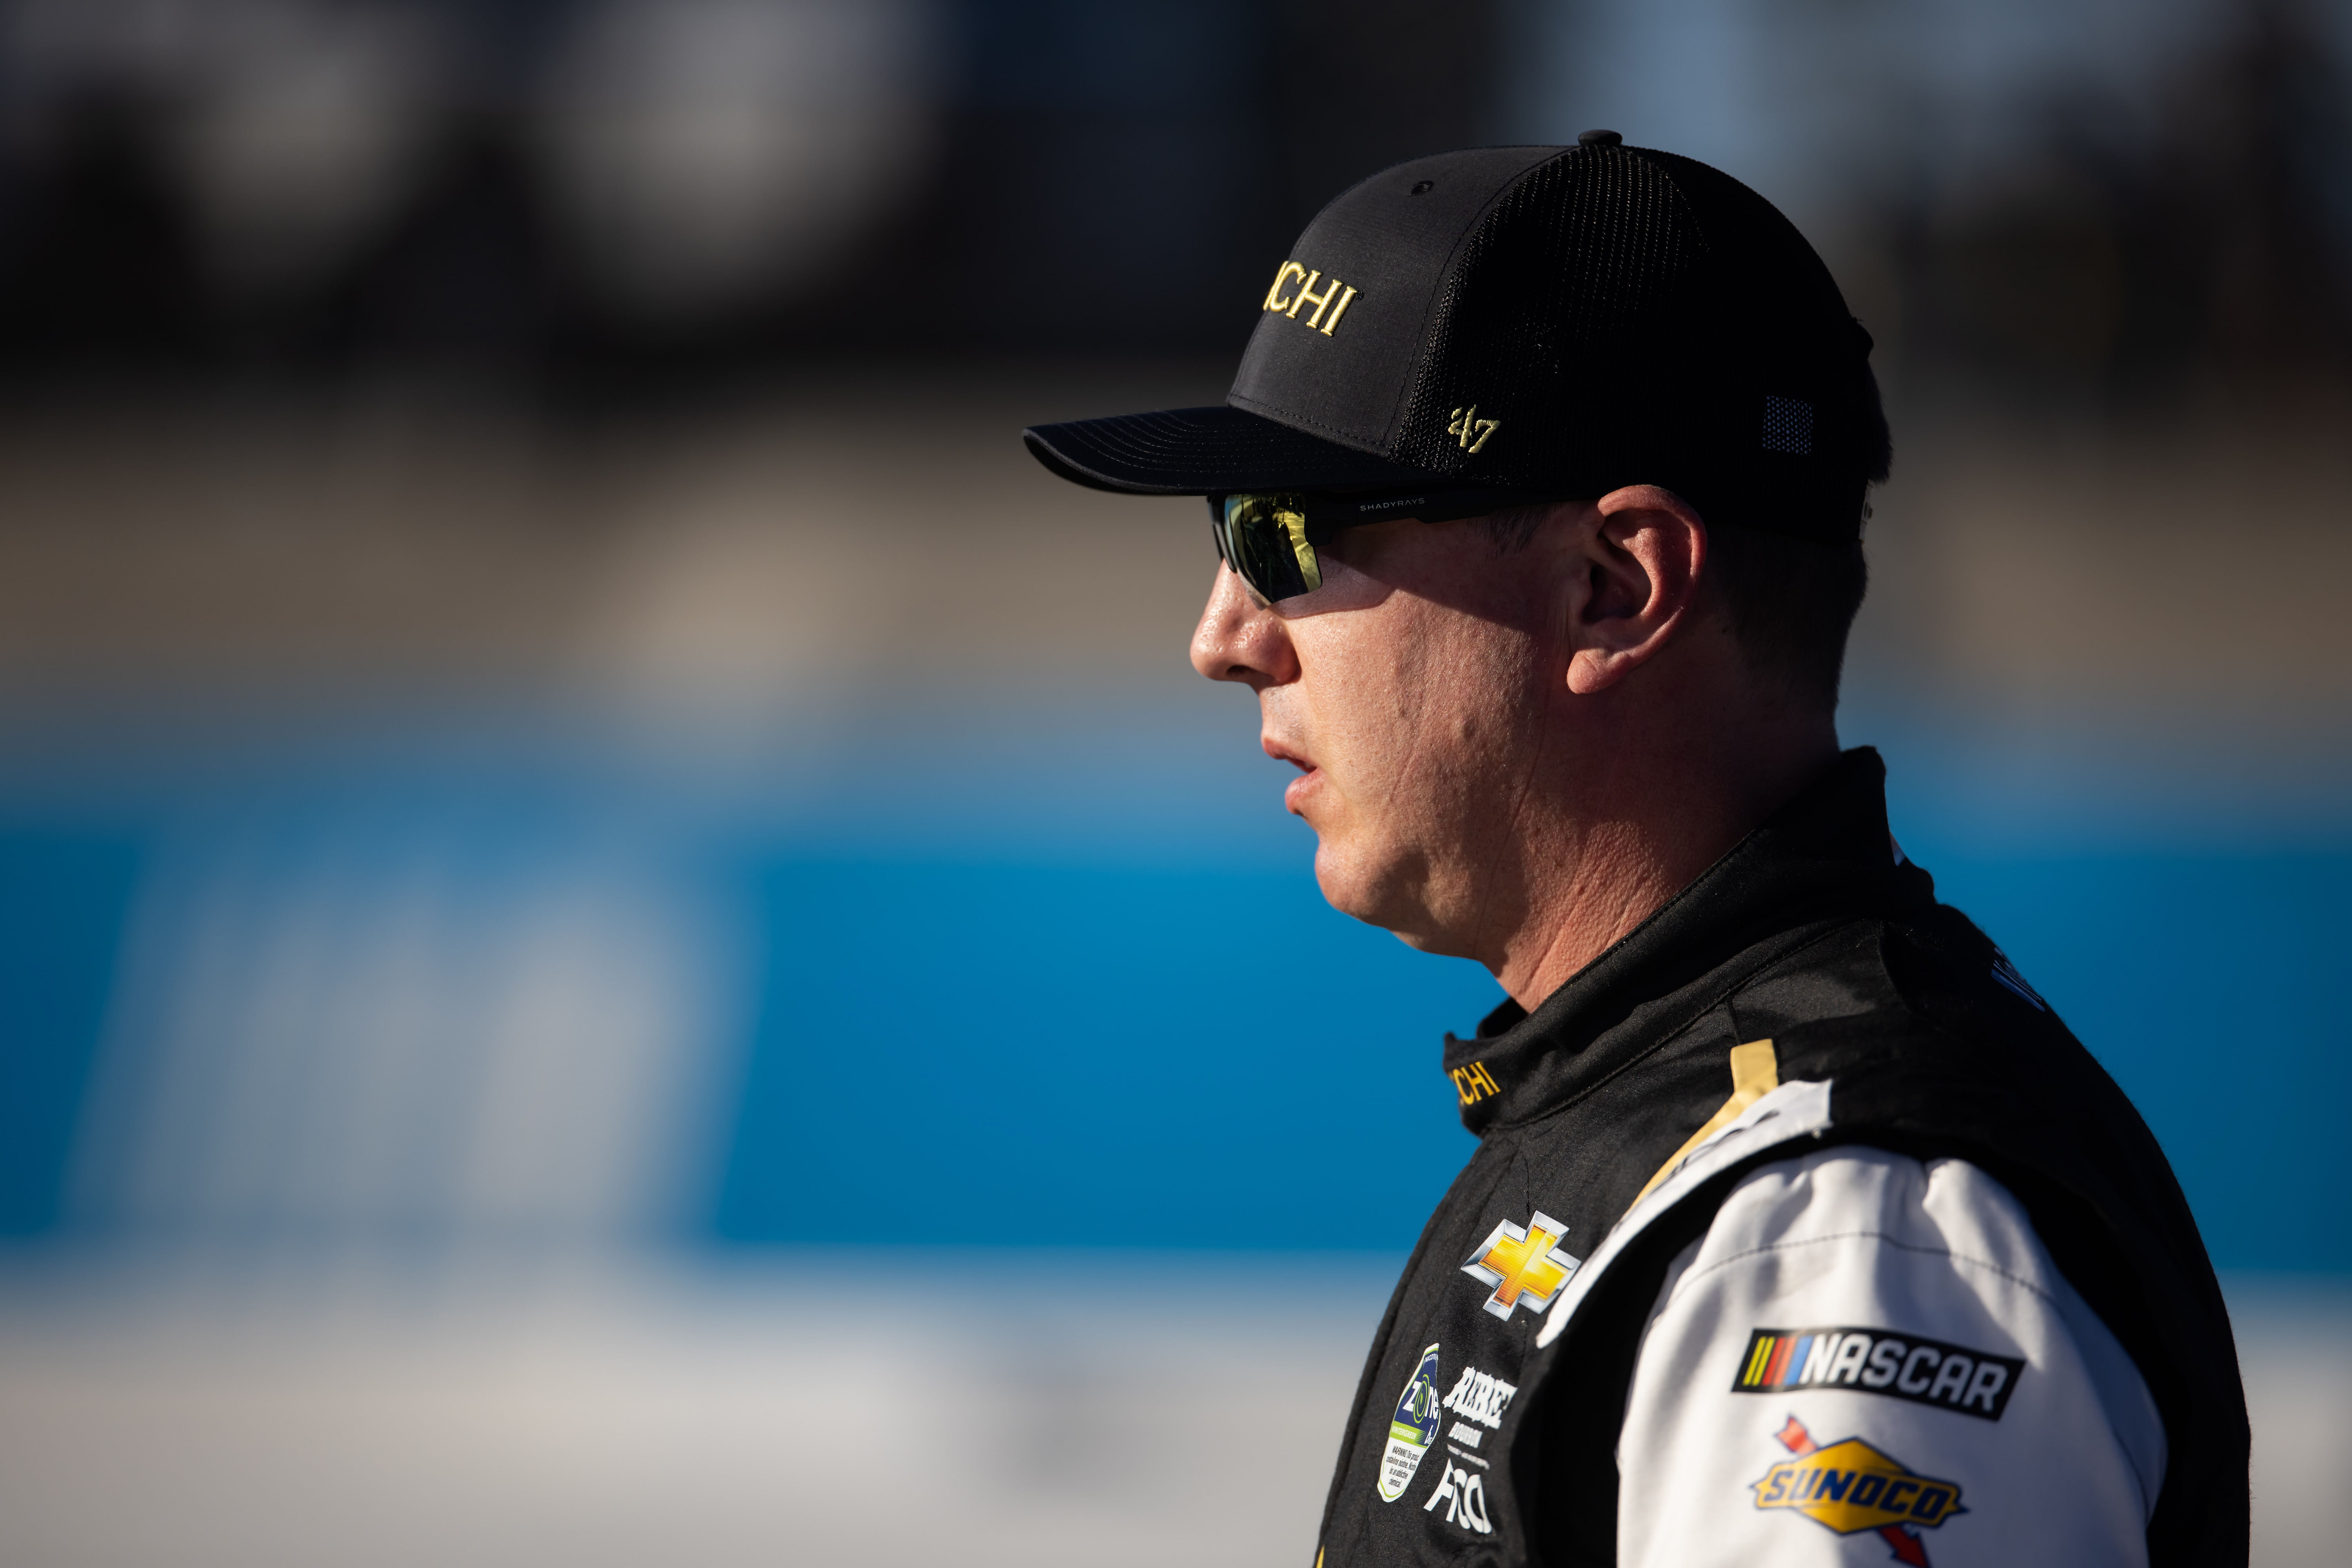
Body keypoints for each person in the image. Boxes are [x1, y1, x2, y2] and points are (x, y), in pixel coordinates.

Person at [1022, 137, 2246, 1567]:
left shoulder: (1844, 1244)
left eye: (1284, 532)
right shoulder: (1657, 1107)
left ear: (1617, 589)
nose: (1222, 637)